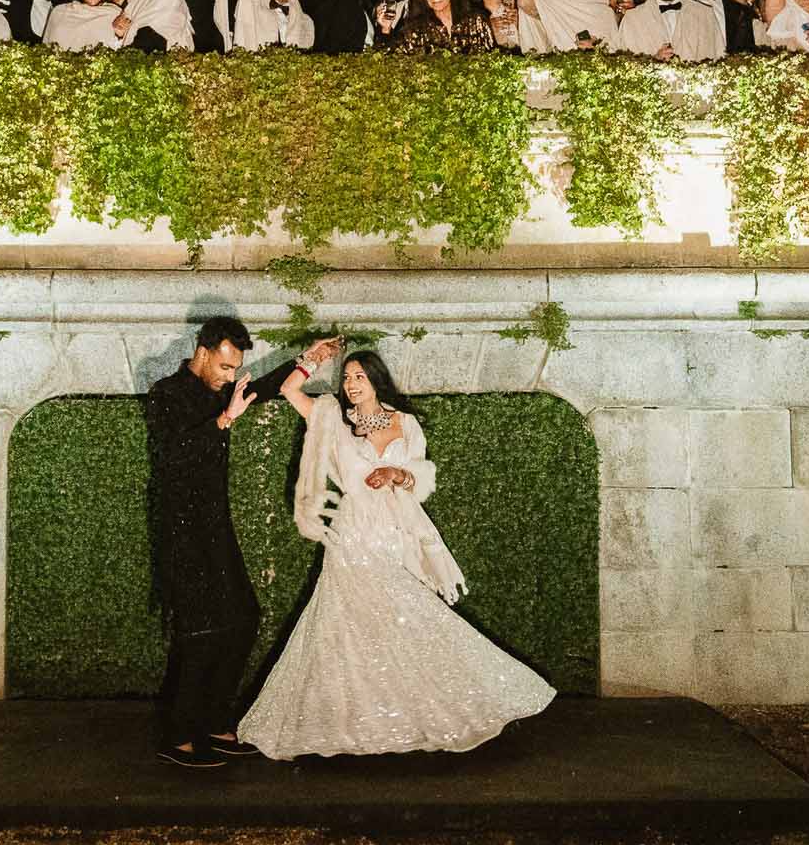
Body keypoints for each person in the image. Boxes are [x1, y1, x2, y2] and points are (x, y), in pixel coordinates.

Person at [238, 347, 555, 759]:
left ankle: (447, 703)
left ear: (375, 380)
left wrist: (397, 473)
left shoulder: (405, 423)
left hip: (394, 529)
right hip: (352, 532)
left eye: (359, 378)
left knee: (406, 616)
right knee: (343, 622)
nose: (351, 385)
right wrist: (312, 356)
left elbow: (422, 479)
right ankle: (352, 721)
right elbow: (289, 388)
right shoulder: (334, 419)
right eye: (347, 378)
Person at [145, 318, 312, 769]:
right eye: (222, 367)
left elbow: (263, 388)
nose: (227, 376)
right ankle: (178, 737)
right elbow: (173, 454)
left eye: (233, 368)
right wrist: (223, 419)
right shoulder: (167, 393)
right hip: (180, 531)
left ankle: (216, 722)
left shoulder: (221, 390)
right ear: (201, 353)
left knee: (242, 618)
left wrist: (307, 362)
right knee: (200, 632)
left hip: (213, 526)